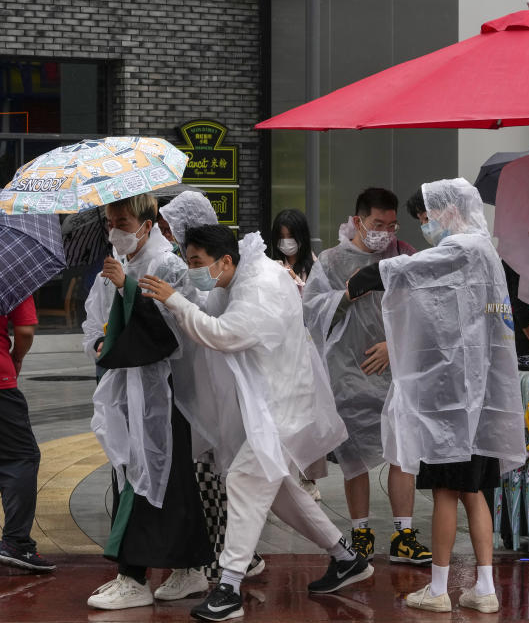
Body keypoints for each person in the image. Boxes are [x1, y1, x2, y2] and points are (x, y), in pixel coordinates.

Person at [139, 225, 371, 621]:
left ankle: (228, 587)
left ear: (225, 260)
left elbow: (222, 333)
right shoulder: (242, 275)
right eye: (189, 260)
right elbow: (212, 311)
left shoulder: (259, 287)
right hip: (272, 399)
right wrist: (181, 297)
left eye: (197, 263)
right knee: (279, 490)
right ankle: (346, 557)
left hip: (283, 404)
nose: (193, 269)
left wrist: (176, 300)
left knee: (245, 479)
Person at [345, 179, 527, 613]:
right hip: (478, 401)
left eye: (426, 217)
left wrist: (370, 276)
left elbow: (411, 271)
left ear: (447, 212)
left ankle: (440, 589)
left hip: (452, 403)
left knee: (446, 492)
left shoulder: (462, 248)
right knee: (475, 493)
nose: (425, 226)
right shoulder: (484, 251)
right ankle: (484, 588)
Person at [80, 194, 213, 610]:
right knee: (135, 475)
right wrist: (100, 341)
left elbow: (177, 329)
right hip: (124, 391)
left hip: (161, 391)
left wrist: (129, 288)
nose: (115, 230)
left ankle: (134, 574)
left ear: (147, 222)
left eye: (122, 221)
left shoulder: (168, 265)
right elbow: (94, 323)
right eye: (110, 222)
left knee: (159, 478)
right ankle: (188, 566)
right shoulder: (110, 269)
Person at [302, 187, 429, 564]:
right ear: (358, 221)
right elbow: (310, 313)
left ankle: (404, 534)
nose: (385, 233)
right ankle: (360, 535)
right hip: (347, 371)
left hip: (396, 370)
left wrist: (396, 346)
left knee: (401, 452)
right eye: (377, 224)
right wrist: (347, 294)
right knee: (354, 456)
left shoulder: (404, 256)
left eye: (391, 225)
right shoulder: (330, 260)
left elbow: (424, 311)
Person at [158, 192, 268, 584]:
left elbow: (211, 325)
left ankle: (231, 557)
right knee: (209, 469)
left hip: (217, 382)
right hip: (203, 379)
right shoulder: (195, 268)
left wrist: (176, 301)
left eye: (171, 225)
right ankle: (231, 552)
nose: (165, 232)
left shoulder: (212, 275)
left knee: (221, 469)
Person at [0, 295, 55, 573]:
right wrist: (16, 358)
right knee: (20, 457)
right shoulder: (13, 268)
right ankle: (16, 542)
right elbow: (24, 330)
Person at [270, 208, 316, 288]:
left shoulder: (315, 267)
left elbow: (314, 297)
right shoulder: (273, 265)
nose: (286, 241)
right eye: (281, 236)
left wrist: (294, 278)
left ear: (302, 236)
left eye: (291, 236)